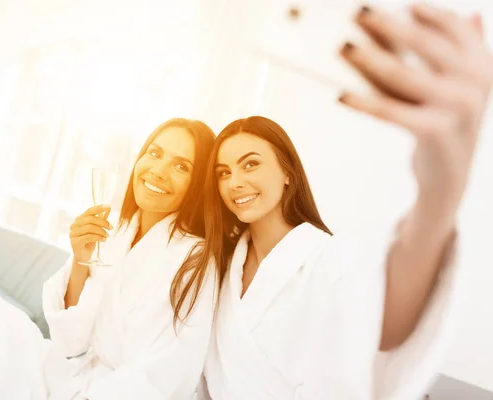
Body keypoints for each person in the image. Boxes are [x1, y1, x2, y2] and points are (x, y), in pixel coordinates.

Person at [198, 4, 492, 400]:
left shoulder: (329, 259)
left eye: (250, 164)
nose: (235, 181)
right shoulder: (223, 262)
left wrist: (438, 197)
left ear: (288, 172)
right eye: (223, 172)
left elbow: (383, 327)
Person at [0, 118, 218, 400]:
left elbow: (170, 370)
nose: (158, 170)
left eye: (181, 166)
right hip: (71, 374)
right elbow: (69, 341)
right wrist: (80, 260)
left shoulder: (196, 260)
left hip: (114, 394)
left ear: (197, 183)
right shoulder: (117, 233)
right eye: (155, 153)